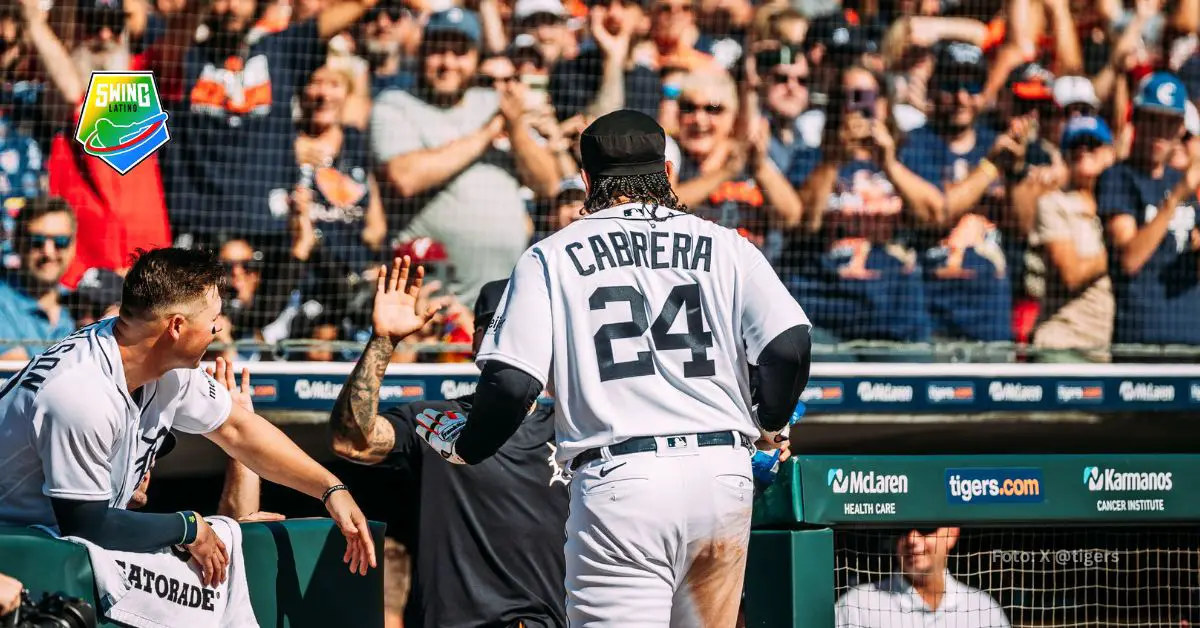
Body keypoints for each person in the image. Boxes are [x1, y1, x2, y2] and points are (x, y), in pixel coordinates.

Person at [413, 109, 813, 626]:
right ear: (668, 173)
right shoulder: (727, 244)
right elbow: (789, 344)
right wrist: (770, 421)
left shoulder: (550, 255)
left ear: (586, 180)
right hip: (722, 475)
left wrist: (468, 446)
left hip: (623, 481)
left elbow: (513, 383)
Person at [0, 247, 375, 589]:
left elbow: (238, 429)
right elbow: (88, 526)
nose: (218, 328)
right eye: (212, 318)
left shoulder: (158, 359)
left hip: (50, 550)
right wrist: (189, 526)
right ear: (176, 326)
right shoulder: (80, 392)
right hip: (15, 553)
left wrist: (330, 489)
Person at [329, 269, 568, 627]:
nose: (510, 339)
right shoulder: (434, 420)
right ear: (476, 341)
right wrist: (383, 340)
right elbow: (352, 442)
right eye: (496, 325)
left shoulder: (573, 429)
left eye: (523, 326)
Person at [1096, 71, 1200, 357]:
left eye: (1169, 123)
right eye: (1152, 119)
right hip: (1141, 340)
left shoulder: (1183, 182)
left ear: (1180, 128)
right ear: (1136, 119)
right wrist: (1175, 198)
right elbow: (1129, 259)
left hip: (1192, 339)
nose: (1159, 132)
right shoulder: (1118, 178)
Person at [1031, 115, 1115, 363]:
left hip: (1105, 350)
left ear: (1109, 153)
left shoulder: (1118, 208)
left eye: (1092, 144)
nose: (1083, 151)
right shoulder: (1054, 204)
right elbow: (1071, 273)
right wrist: (1119, 250)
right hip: (1063, 346)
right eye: (1075, 145)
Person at [835, 527, 1010, 628]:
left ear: (952, 533)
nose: (912, 539)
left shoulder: (983, 609)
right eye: (902, 529)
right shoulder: (857, 606)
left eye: (926, 528)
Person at [0, 196, 77, 360]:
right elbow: (18, 377)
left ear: (73, 246)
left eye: (60, 241)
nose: (48, 252)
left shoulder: (83, 302)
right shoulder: (2, 303)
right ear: (17, 244)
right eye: (37, 241)